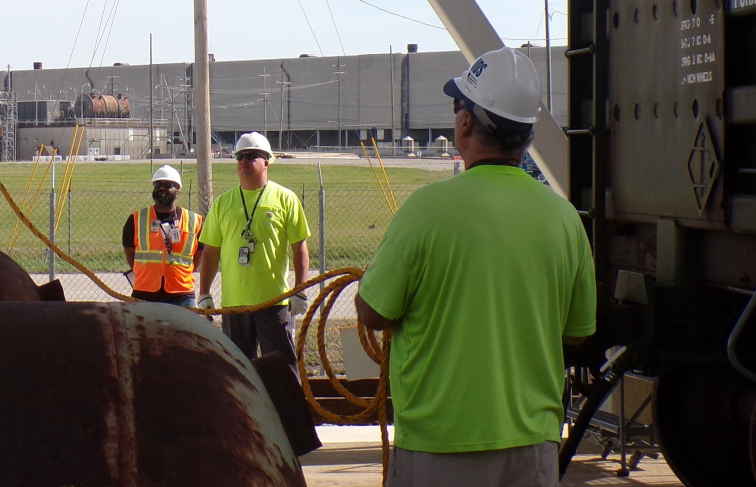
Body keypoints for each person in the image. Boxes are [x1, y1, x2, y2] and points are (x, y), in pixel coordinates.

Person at [356, 46, 596, 487]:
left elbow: (373, 313)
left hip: (438, 448)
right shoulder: (564, 218)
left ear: (466, 121)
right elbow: (578, 333)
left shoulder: (426, 210)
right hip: (534, 449)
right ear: (526, 135)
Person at [197, 132, 310, 366]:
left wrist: (300, 290)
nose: (244, 161)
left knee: (281, 372)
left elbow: (299, 247)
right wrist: (204, 292)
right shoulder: (223, 203)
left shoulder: (285, 199)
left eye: (251, 156)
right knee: (240, 373)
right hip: (234, 305)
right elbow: (211, 252)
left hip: (274, 303)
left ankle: (284, 405)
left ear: (267, 162)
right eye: (239, 157)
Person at [123, 164, 204, 307]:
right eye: (158, 185)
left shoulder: (194, 221)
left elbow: (200, 253)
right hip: (144, 292)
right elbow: (130, 252)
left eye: (168, 185)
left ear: (177, 191)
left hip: (182, 293)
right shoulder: (136, 219)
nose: (162, 189)